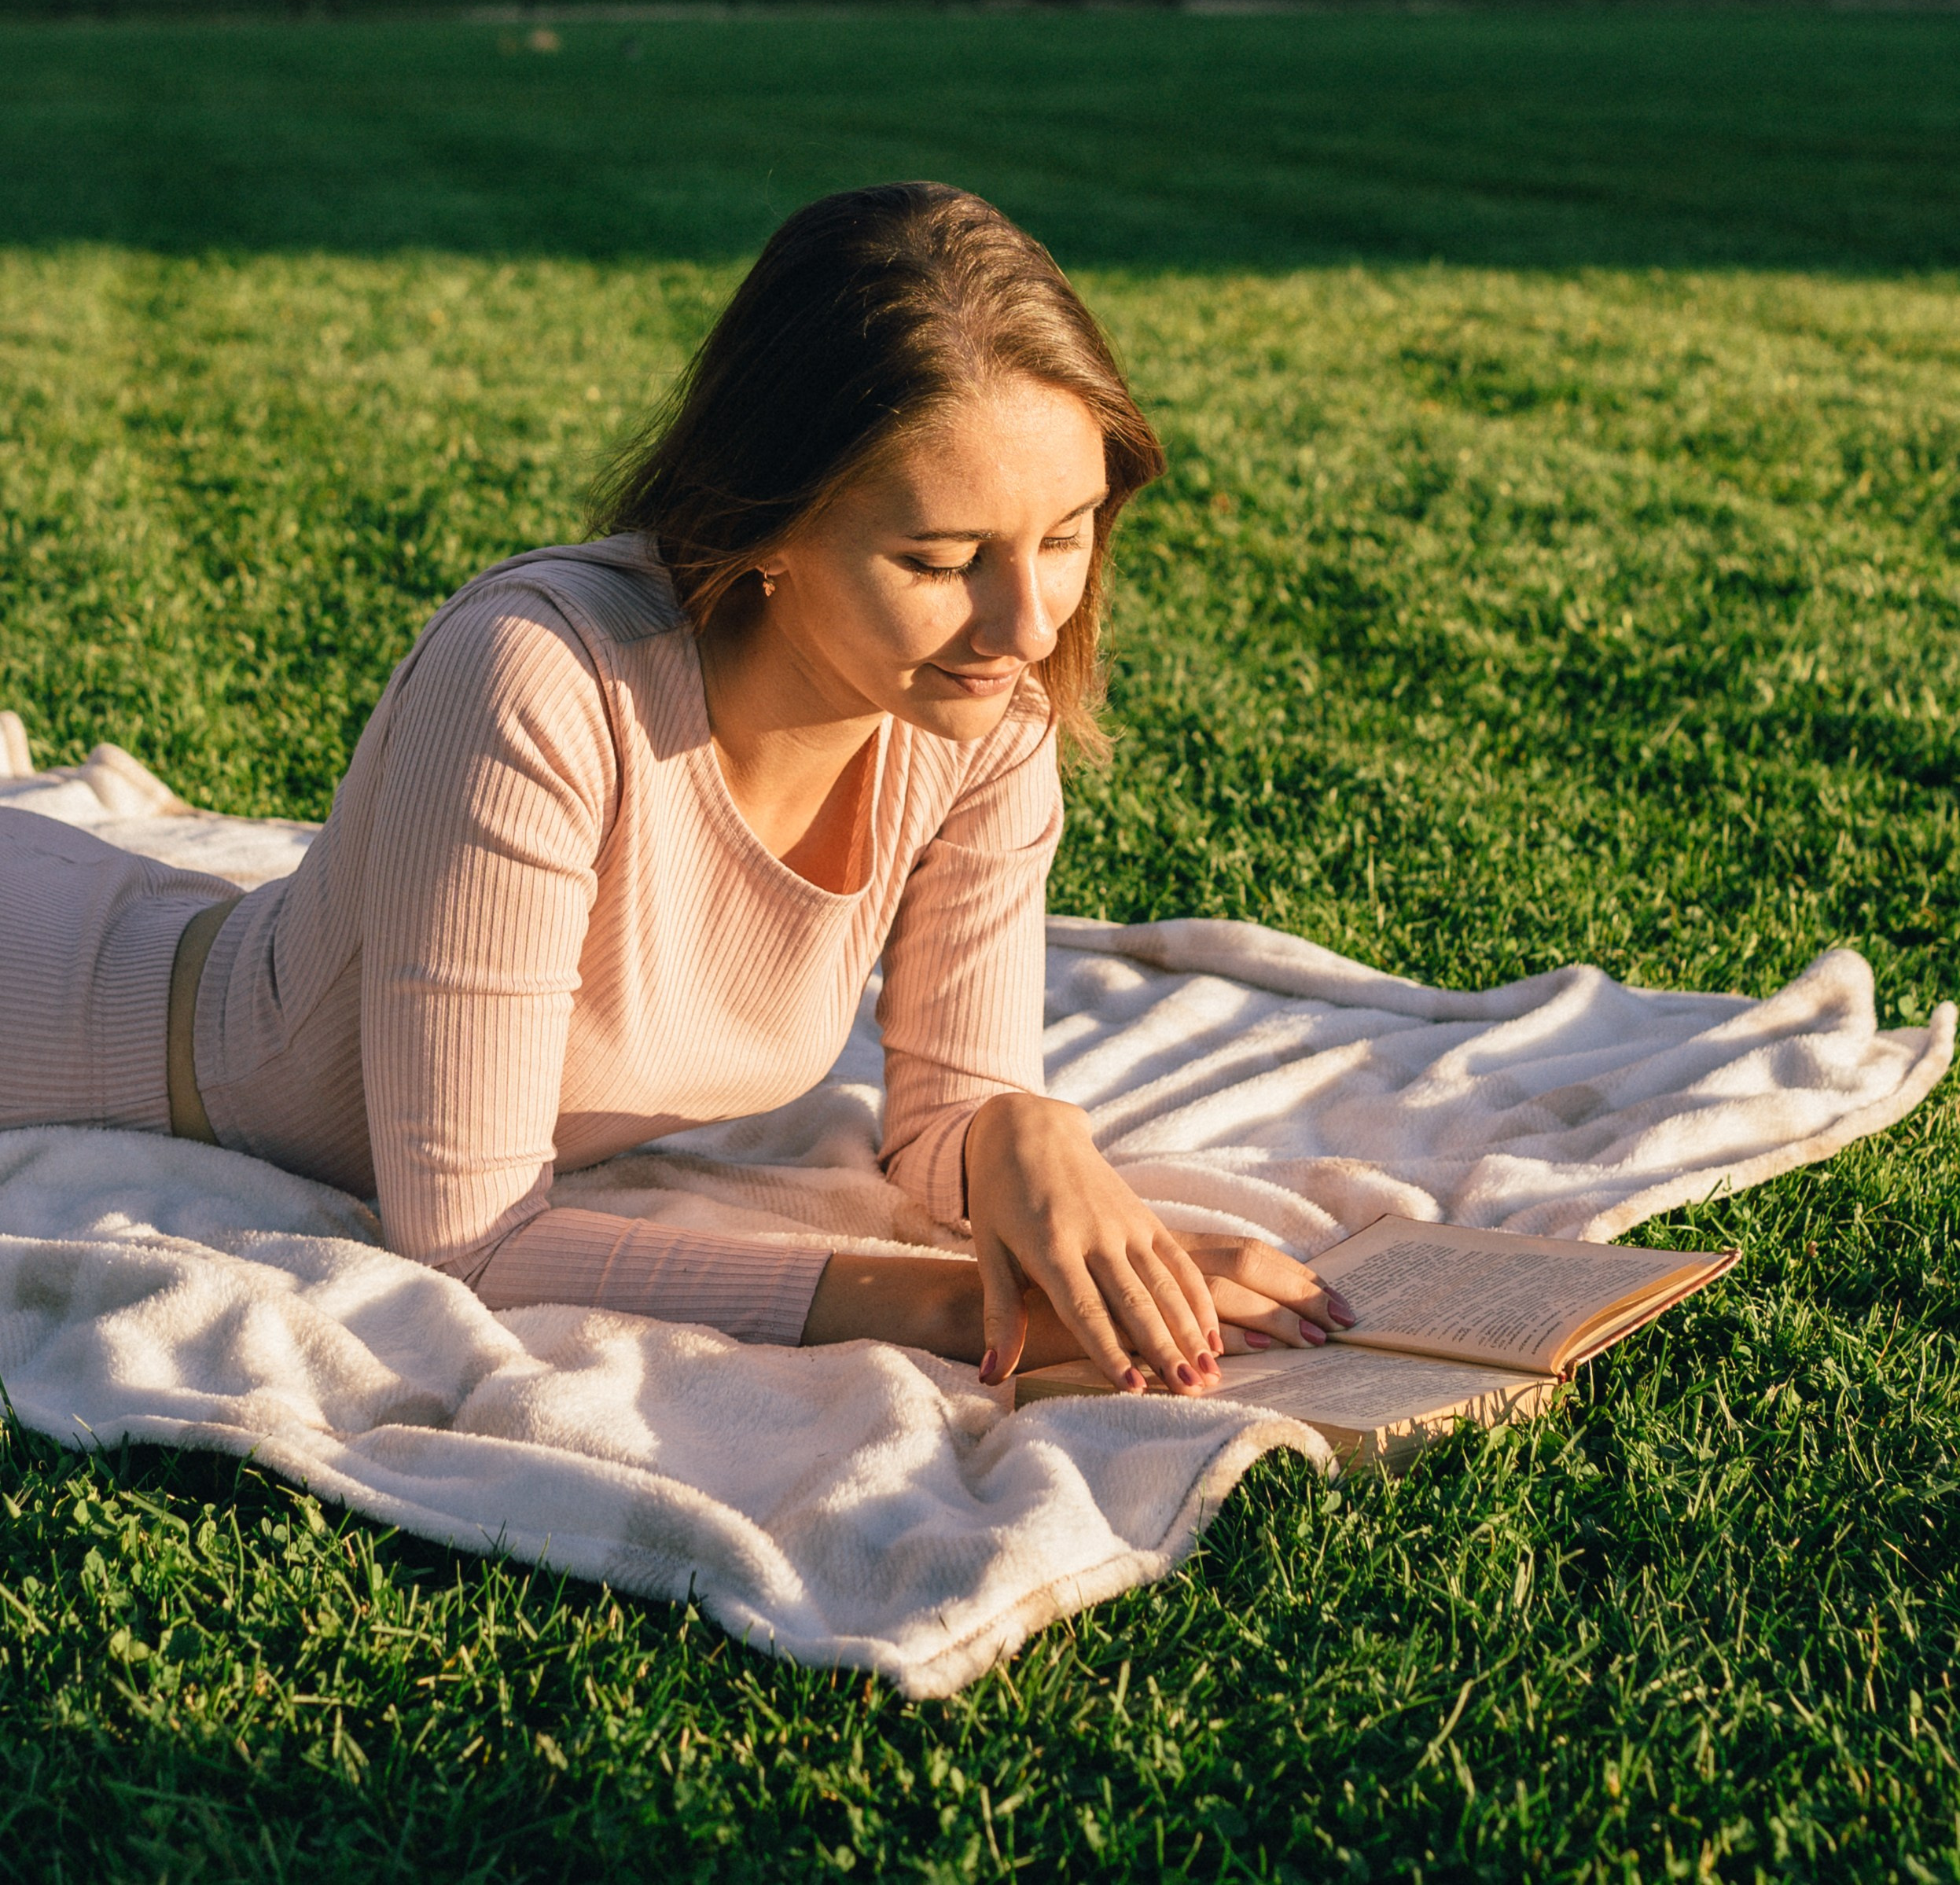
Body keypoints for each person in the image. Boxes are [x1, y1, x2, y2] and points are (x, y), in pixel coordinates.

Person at [0, 186, 1351, 1394]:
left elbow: (936, 1122)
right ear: (768, 519)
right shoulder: (539, 676)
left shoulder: (975, 706)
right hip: (49, 1005)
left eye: (1064, 536)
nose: (1026, 621)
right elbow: (471, 1236)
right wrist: (968, 1306)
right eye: (941, 560)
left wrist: (1021, 1138)